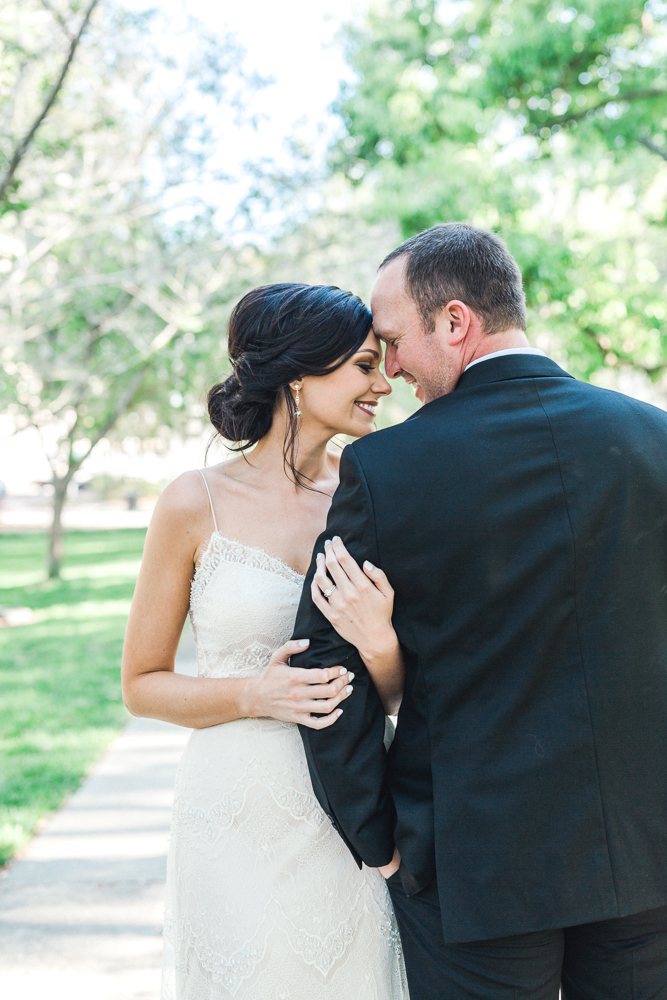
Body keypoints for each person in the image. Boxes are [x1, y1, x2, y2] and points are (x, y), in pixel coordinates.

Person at [291, 223, 667, 999]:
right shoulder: (653, 439)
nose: (390, 368)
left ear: (455, 322)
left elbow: (323, 664)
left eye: (394, 340)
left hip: (472, 867)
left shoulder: (387, 468)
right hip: (647, 851)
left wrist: (376, 837)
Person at [121, 283, 409, 1000]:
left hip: (350, 808)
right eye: (363, 365)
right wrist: (256, 692)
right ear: (298, 376)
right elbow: (142, 683)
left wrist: (378, 645)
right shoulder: (194, 502)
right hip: (233, 817)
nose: (383, 384)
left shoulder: (373, 496)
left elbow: (406, 688)